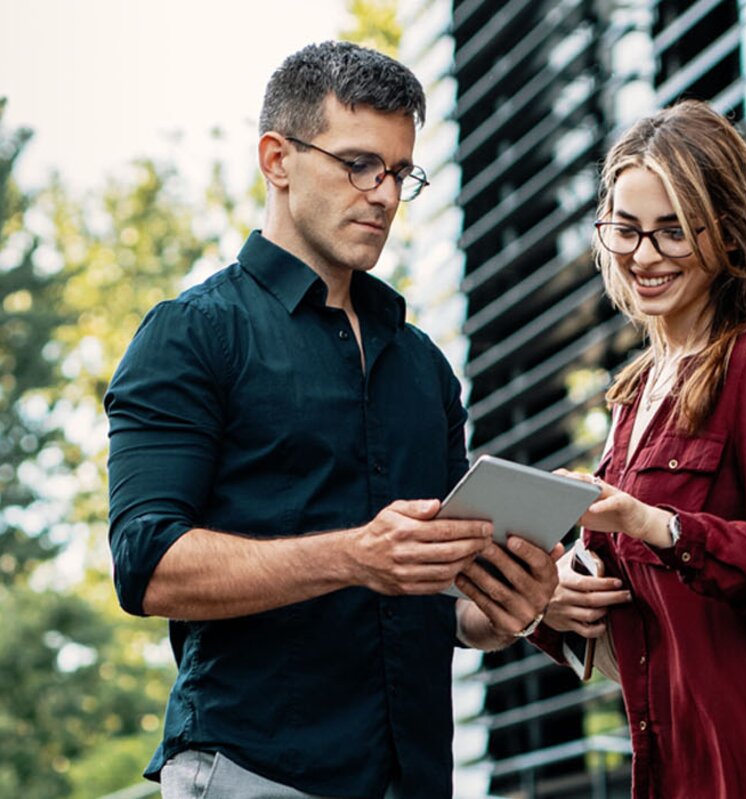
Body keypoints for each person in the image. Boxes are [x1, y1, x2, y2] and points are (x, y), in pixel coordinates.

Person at [105, 41, 559, 799]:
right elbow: (145, 562)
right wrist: (353, 556)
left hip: (412, 776)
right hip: (253, 770)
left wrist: (506, 607)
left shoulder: (425, 368)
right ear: (277, 159)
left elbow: (446, 603)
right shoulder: (191, 334)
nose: (383, 193)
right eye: (358, 164)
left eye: (399, 172)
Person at [529, 100, 746, 798]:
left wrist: (652, 524)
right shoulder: (633, 397)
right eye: (626, 230)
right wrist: (561, 599)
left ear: (726, 234)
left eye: (672, 233)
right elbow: (650, 622)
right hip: (679, 772)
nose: (643, 256)